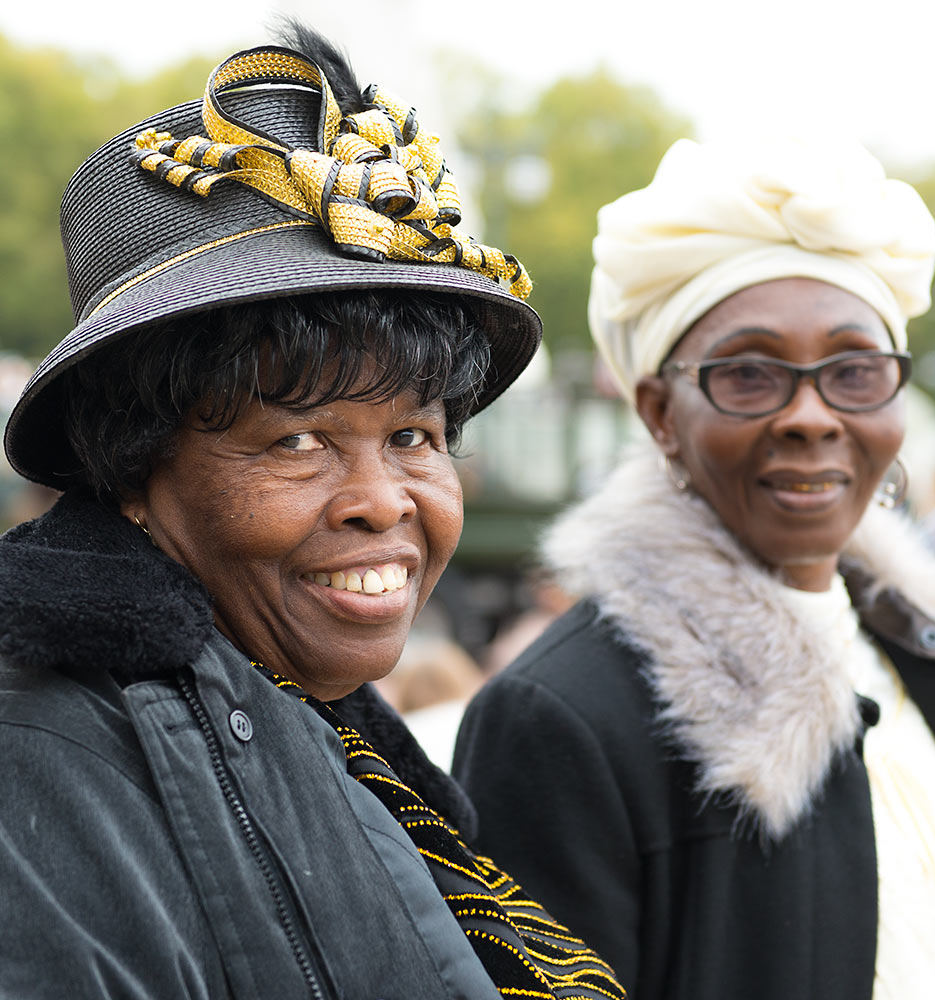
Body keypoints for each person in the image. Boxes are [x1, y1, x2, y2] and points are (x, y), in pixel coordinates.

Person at [0, 26, 624, 1000]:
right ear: (128, 466)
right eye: (297, 441)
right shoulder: (42, 762)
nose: (384, 501)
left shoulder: (320, 716)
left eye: (416, 436)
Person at [453, 136, 935, 1000]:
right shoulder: (559, 720)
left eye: (855, 370)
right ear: (660, 413)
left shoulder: (909, 649)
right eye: (750, 374)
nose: (812, 416)